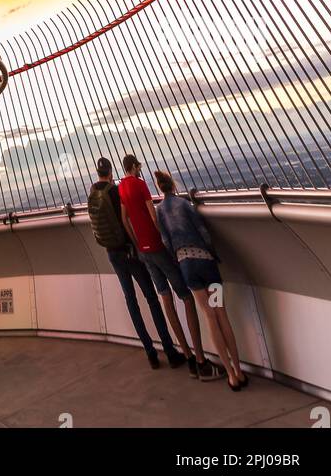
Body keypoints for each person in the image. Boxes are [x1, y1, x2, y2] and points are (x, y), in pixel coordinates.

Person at [118, 153, 218, 380]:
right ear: (134, 166)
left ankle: (186, 356)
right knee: (186, 297)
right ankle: (200, 359)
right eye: (139, 166)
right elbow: (154, 217)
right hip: (157, 248)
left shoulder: (122, 188)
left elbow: (125, 219)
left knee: (165, 299)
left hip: (144, 252)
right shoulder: (140, 185)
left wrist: (136, 242)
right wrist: (167, 243)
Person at [87, 156, 184, 371]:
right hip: (131, 252)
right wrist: (138, 244)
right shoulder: (115, 190)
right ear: (111, 172)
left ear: (97, 172)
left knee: (131, 300)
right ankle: (170, 350)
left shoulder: (93, 193)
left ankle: (150, 353)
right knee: (152, 298)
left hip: (112, 254)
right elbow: (127, 219)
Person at [155, 170, 247, 392]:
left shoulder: (159, 211)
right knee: (221, 313)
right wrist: (213, 254)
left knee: (209, 316)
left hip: (188, 268)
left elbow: (166, 240)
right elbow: (203, 233)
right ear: (173, 185)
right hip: (206, 265)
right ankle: (239, 370)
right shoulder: (185, 205)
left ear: (160, 188)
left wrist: (179, 259)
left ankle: (230, 375)